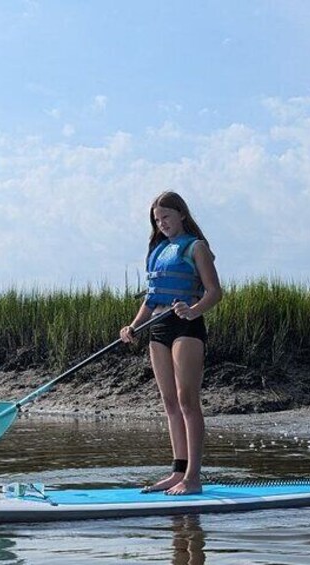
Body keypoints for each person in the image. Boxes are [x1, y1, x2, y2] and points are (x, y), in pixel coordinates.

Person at [120, 191, 222, 495]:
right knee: (169, 403)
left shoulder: (196, 247)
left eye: (166, 217)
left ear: (181, 215)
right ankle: (177, 473)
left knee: (187, 400)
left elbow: (214, 292)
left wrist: (193, 310)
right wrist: (133, 326)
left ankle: (193, 477)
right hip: (158, 328)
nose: (161, 223)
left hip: (186, 326)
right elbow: (152, 297)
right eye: (157, 219)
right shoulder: (158, 250)